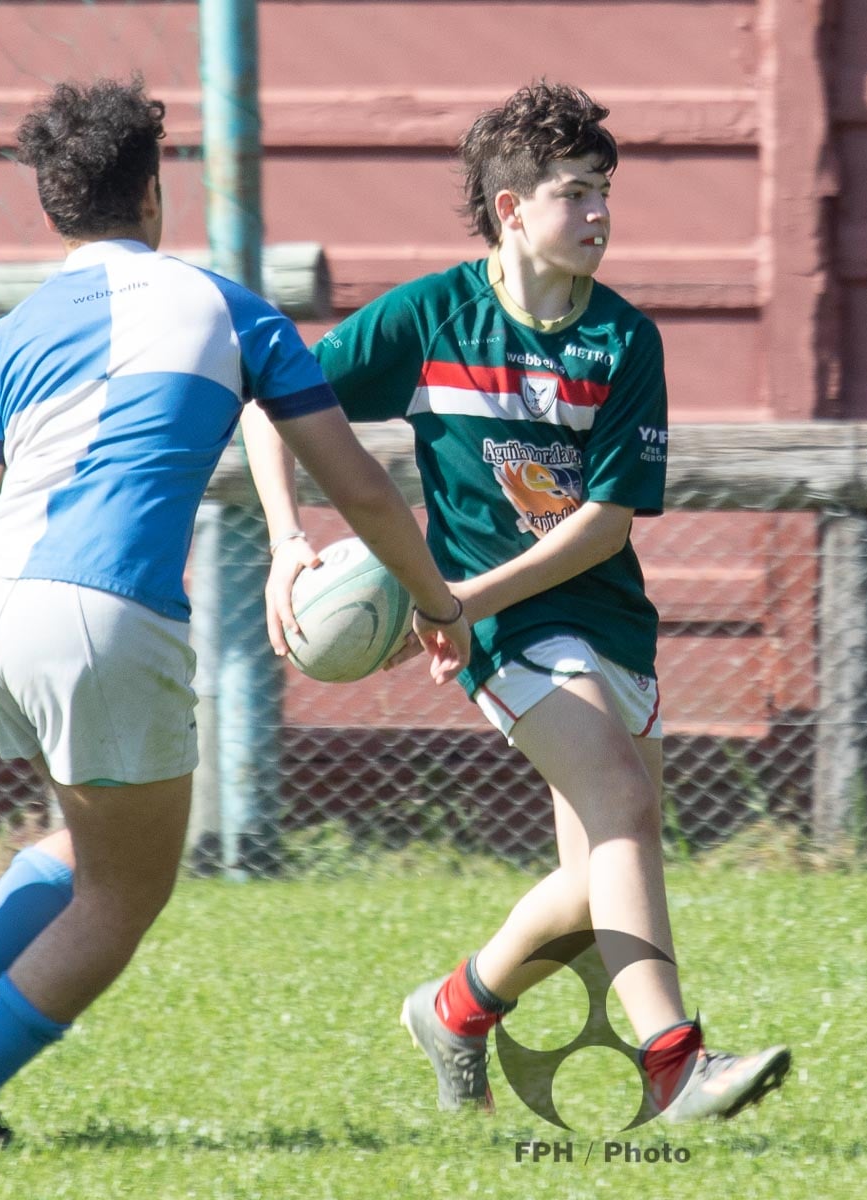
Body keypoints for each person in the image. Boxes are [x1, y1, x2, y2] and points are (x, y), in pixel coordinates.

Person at [0, 76, 469, 1146]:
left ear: (55, 206)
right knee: (128, 892)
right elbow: (360, 486)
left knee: (93, 840)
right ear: (152, 195)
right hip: (105, 614)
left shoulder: (10, 337)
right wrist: (434, 600)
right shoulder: (225, 305)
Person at [239, 80, 790, 1124]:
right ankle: (675, 1061)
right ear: (511, 211)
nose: (598, 214)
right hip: (508, 629)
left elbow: (605, 523)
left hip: (599, 617)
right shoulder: (433, 317)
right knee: (624, 807)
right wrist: (284, 542)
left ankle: (454, 1010)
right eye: (575, 193)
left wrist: (448, 599)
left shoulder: (623, 340)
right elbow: (278, 400)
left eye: (603, 193)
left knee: (593, 891)